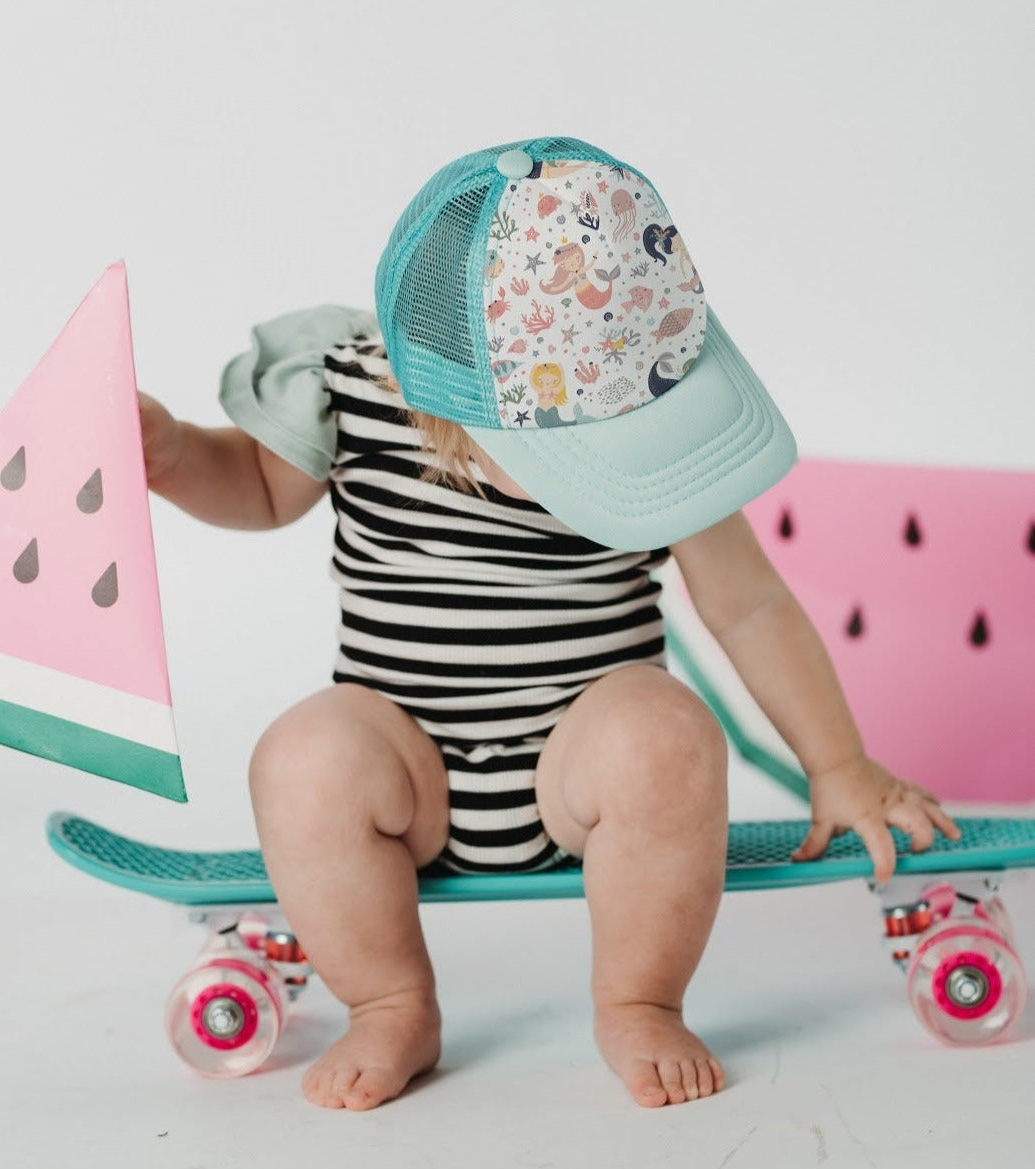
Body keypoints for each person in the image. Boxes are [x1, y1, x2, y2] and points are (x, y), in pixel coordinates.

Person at [140, 138, 959, 1112]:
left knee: (662, 731)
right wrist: (175, 454)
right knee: (301, 755)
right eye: (583, 437)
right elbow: (255, 485)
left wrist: (836, 763)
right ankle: (390, 1001)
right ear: (439, 390)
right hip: (410, 774)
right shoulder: (352, 389)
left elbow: (747, 602)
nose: (624, 446)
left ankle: (637, 997)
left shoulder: (645, 417)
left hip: (582, 777)